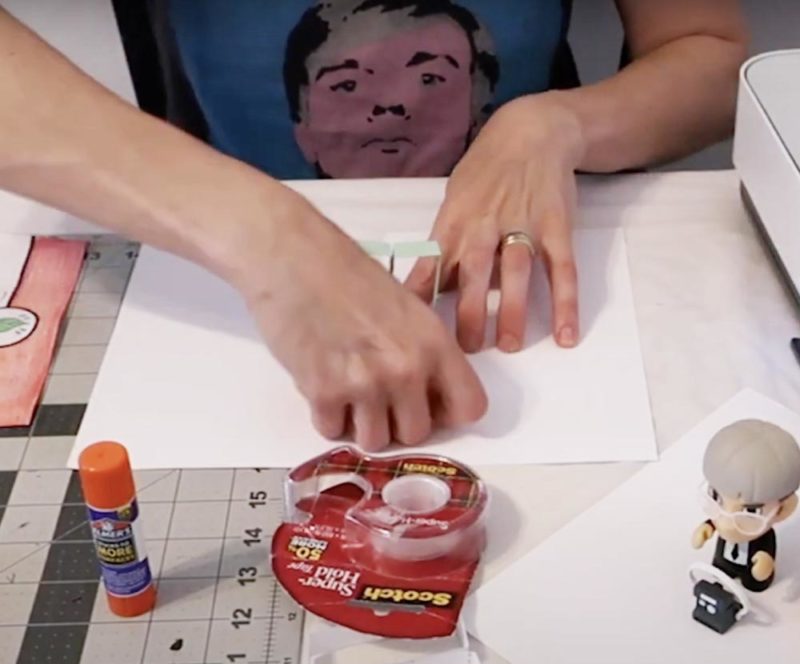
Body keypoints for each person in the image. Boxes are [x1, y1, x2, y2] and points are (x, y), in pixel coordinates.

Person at [0, 2, 749, 451]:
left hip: (564, 252)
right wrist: (265, 233)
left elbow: (710, 57)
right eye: (346, 84)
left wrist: (558, 125)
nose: (386, 103)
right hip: (199, 273)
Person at [692, 419, 800, 592]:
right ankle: (722, 571)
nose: (726, 524)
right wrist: (705, 529)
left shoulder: (764, 536)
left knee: (755, 583)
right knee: (719, 573)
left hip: (750, 570)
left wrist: (764, 565)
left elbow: (765, 557)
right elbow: (713, 524)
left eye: (751, 511)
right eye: (716, 496)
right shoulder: (720, 520)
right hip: (723, 561)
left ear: (782, 510)